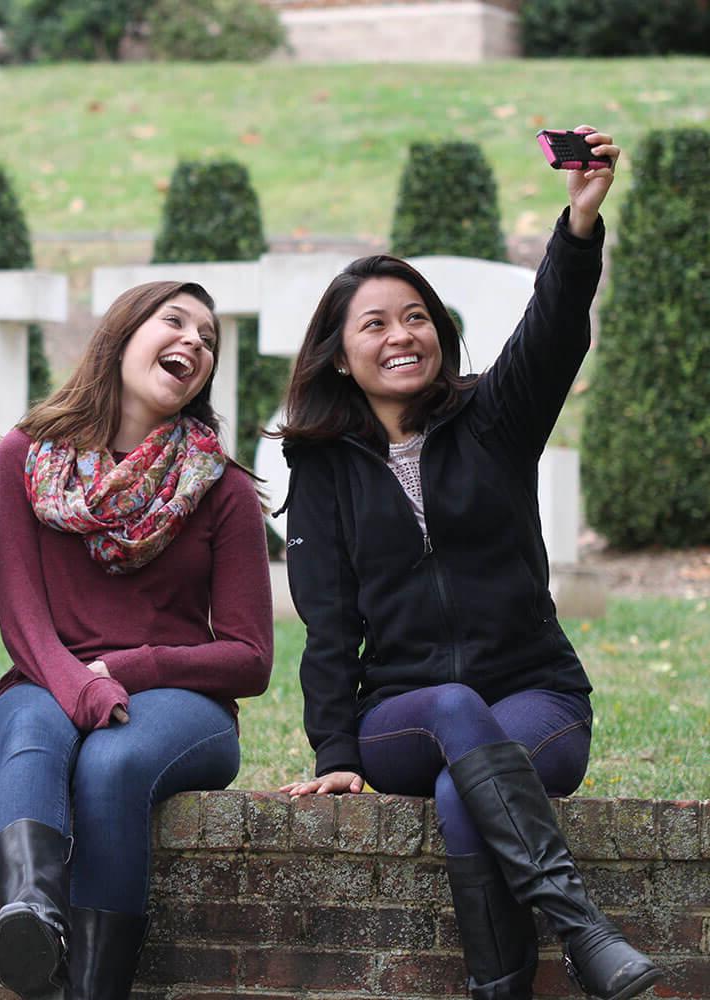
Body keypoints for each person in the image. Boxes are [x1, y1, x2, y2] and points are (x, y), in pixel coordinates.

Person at [277, 128, 662, 1000]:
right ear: (342, 354)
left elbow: (554, 330)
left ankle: (501, 991)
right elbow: (329, 623)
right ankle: (586, 931)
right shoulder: (325, 468)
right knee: (451, 710)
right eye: (375, 324)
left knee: (465, 795)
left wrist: (578, 223)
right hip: (404, 713)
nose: (402, 335)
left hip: (537, 697)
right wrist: (335, 748)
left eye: (416, 316)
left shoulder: (495, 418)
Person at [0, 280, 272, 1000]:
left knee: (111, 764)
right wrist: (81, 683)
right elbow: (21, 622)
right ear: (121, 335)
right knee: (35, 732)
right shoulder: (22, 457)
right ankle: (31, 919)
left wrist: (129, 668)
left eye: (207, 337)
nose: (195, 342)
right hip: (43, 685)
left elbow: (251, 658)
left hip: (179, 706)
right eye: (175, 321)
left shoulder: (221, 489)